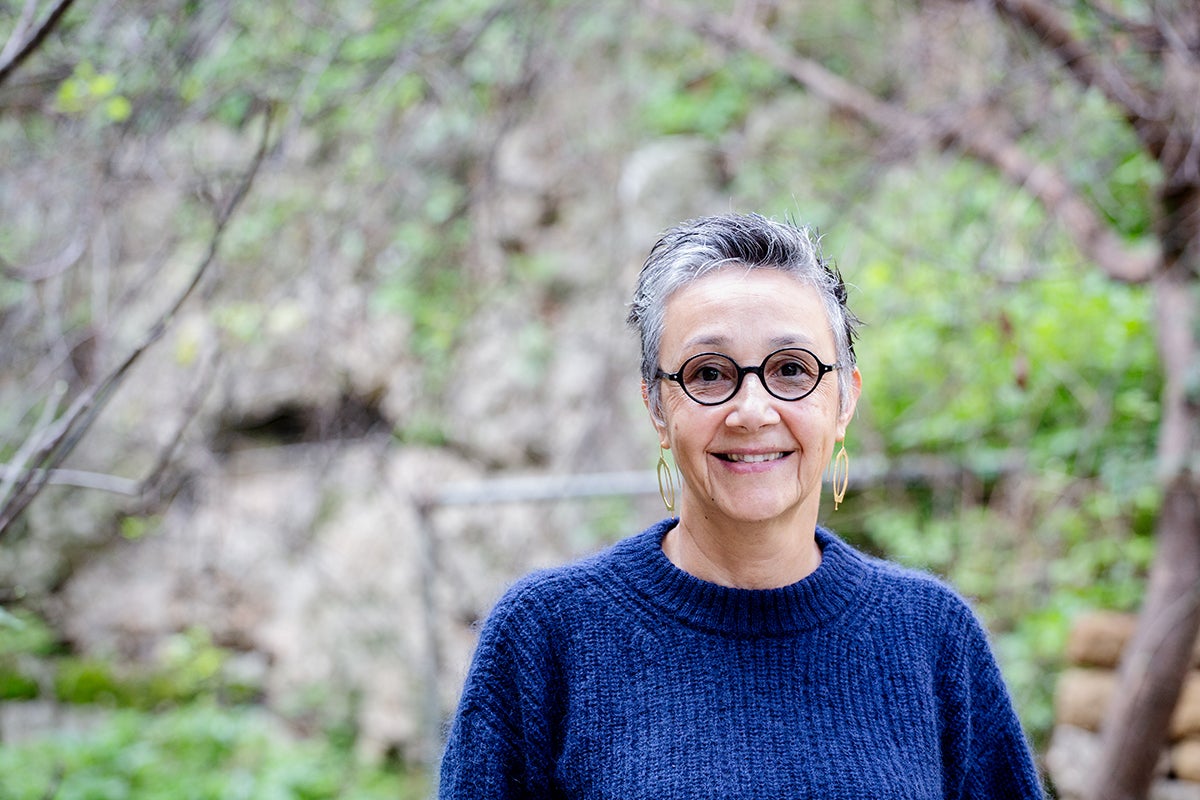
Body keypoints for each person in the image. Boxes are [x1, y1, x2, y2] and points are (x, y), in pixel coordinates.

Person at [438, 213, 1044, 798]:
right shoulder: (545, 637)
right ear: (656, 407)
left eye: (790, 370)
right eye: (708, 374)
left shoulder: (932, 636)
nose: (752, 411)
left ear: (844, 402)